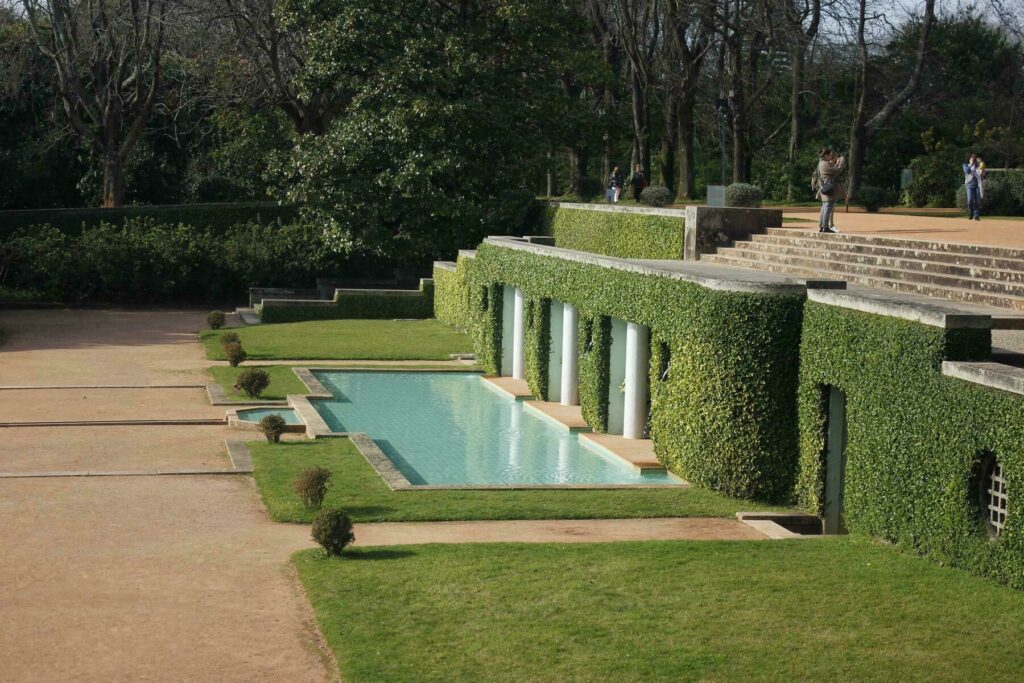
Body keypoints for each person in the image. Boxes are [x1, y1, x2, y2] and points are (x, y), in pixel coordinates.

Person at [815, 147, 845, 233]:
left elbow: (832, 169)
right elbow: (837, 171)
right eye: (829, 155)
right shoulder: (825, 164)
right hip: (829, 188)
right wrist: (841, 162)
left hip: (824, 187)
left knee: (824, 207)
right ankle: (825, 227)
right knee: (828, 207)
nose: (830, 157)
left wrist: (835, 163)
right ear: (826, 155)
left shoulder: (821, 163)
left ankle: (822, 226)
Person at [963, 153, 982, 220]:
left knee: (977, 201)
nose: (973, 160)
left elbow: (982, 173)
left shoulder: (977, 166)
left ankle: (976, 215)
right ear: (969, 159)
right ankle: (971, 213)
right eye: (972, 159)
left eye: (974, 159)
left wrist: (981, 167)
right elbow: (967, 171)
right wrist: (971, 164)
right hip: (969, 185)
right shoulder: (965, 165)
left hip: (977, 185)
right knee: (970, 200)